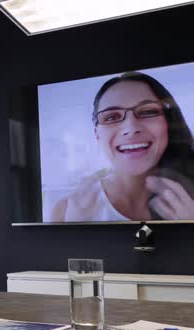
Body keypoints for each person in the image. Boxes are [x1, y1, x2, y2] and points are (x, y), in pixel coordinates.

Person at [50, 71, 194, 222]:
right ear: (97, 135)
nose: (131, 128)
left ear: (168, 123)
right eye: (112, 117)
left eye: (147, 112)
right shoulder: (65, 211)